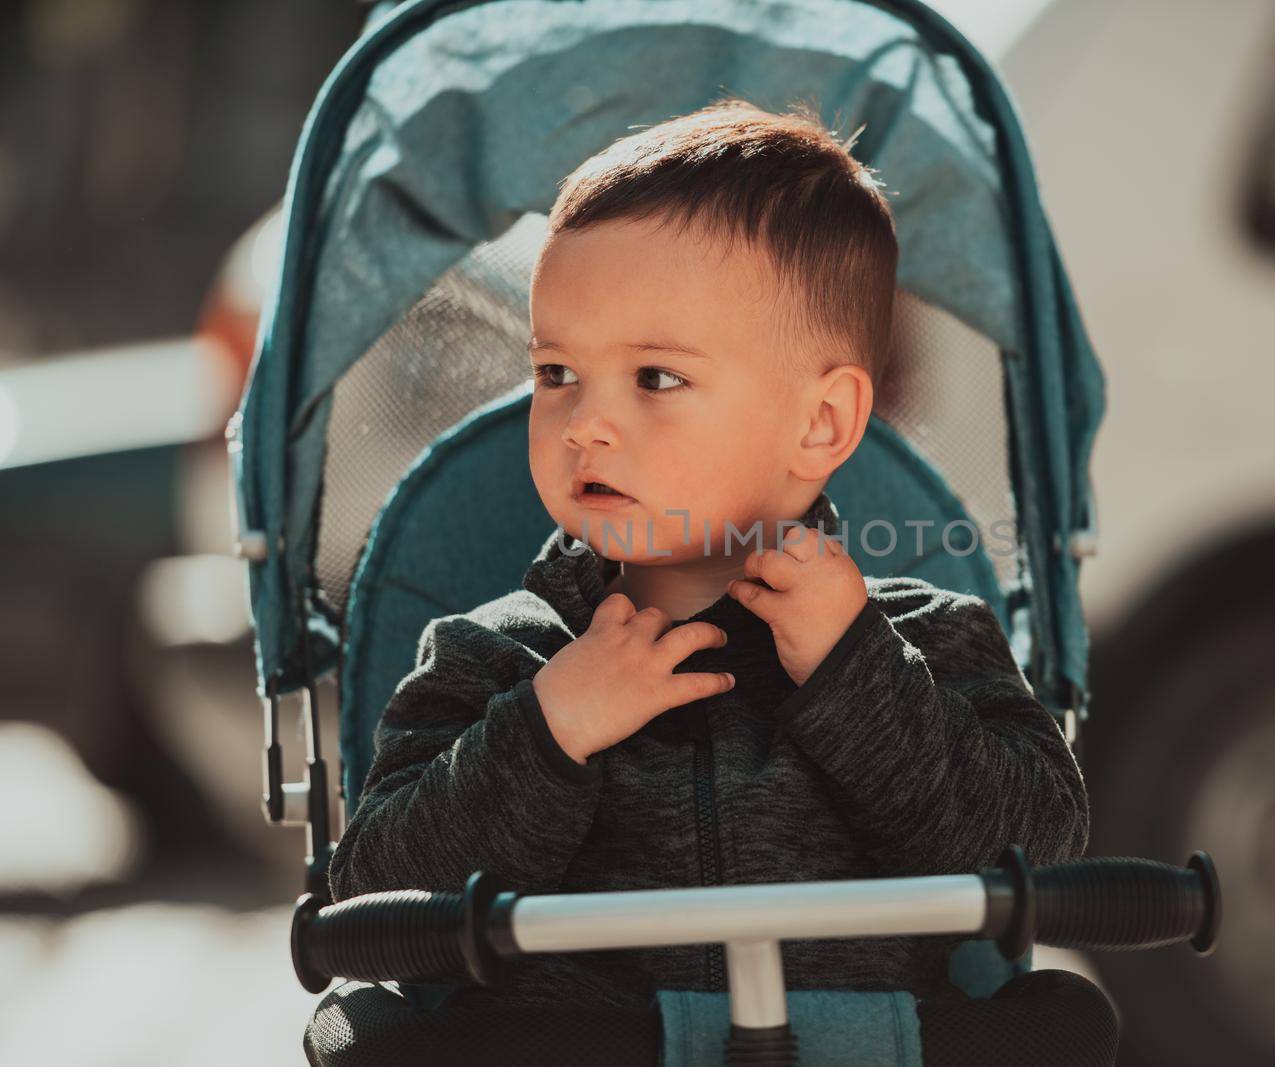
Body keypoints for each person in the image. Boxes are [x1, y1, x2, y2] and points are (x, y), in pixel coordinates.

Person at [324, 98, 1092, 1020]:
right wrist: (548, 728)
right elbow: (373, 892)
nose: (586, 423)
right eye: (556, 373)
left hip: (859, 1043)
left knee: (1060, 1018)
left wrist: (857, 674)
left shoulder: (928, 640)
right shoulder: (494, 659)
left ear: (821, 423)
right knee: (377, 1031)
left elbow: (1036, 856)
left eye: (656, 377)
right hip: (582, 1047)